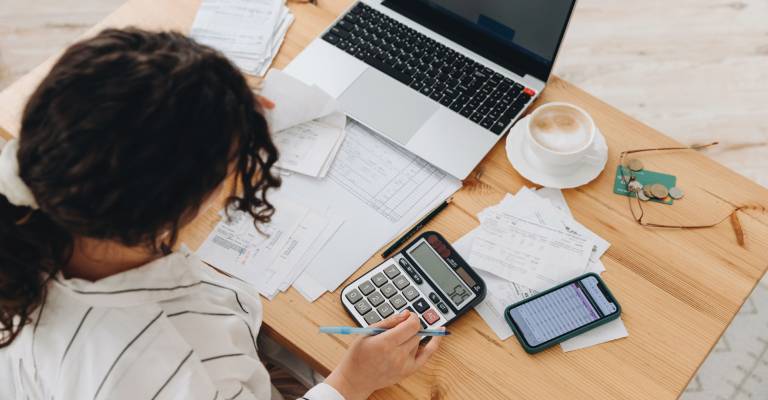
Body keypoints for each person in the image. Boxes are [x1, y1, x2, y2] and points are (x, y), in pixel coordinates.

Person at [0, 28, 441, 400]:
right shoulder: (145, 370)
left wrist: (224, 106)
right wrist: (348, 383)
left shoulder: (32, 184)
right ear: (173, 206)